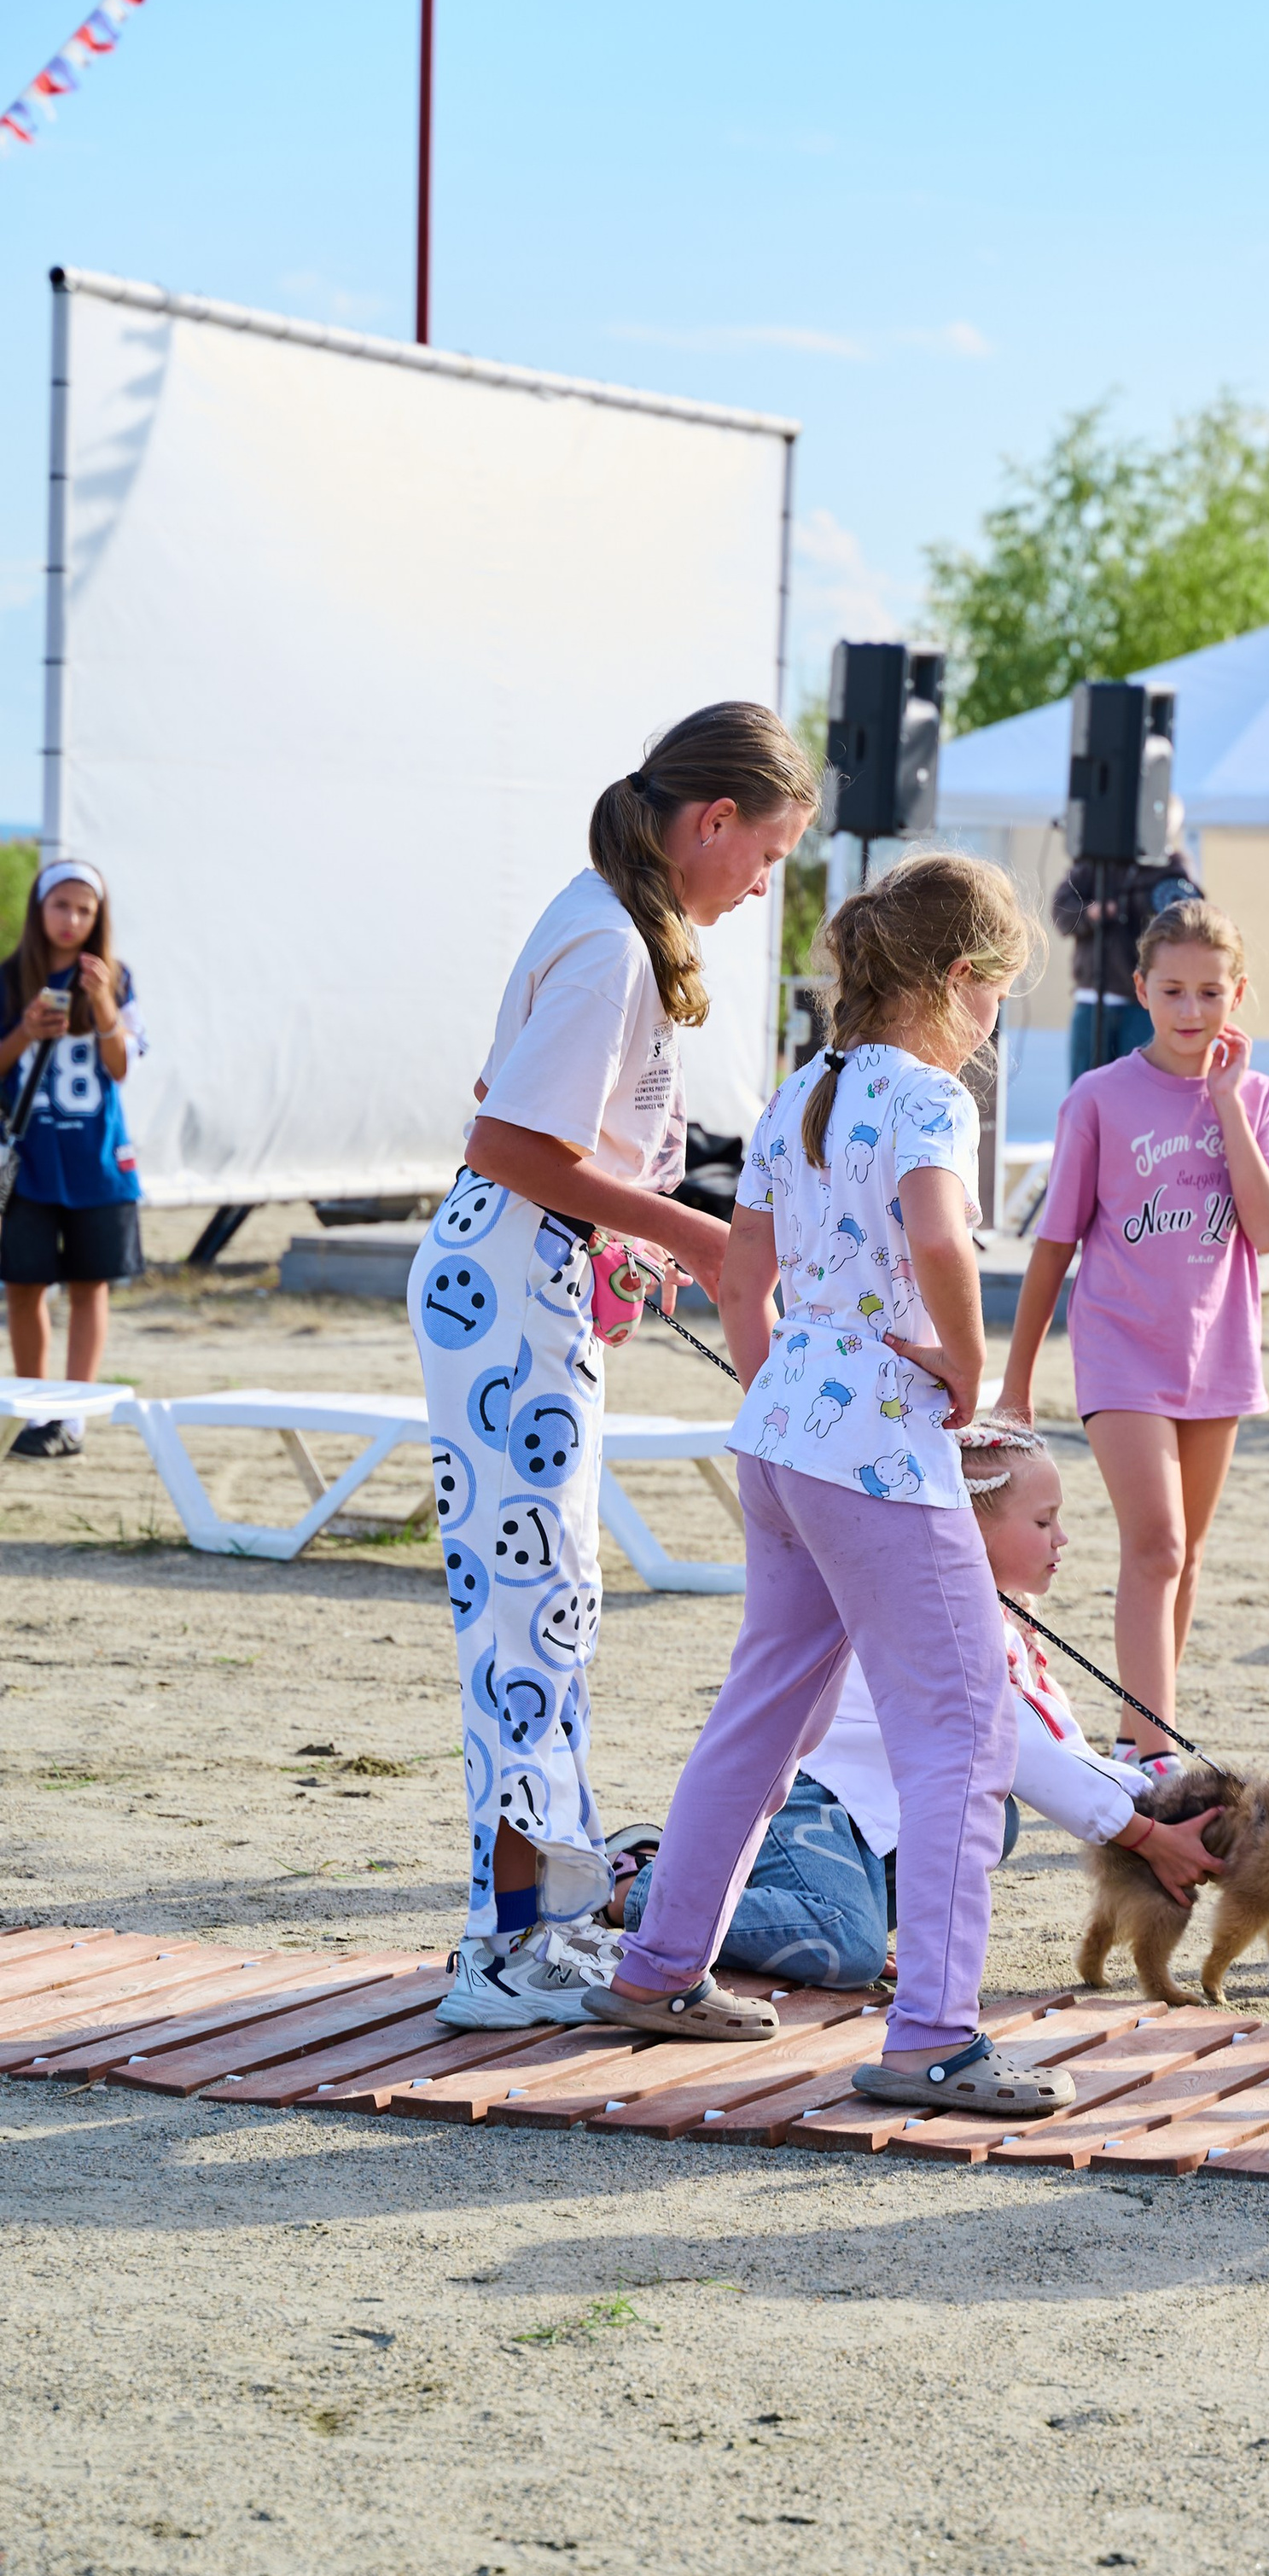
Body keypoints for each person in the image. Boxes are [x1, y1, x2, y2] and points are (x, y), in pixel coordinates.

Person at [585, 850, 1086, 2119]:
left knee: (770, 1709)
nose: (990, 1028)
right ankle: (931, 2038)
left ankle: (660, 1968)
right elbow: (936, 1234)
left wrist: (787, 1383)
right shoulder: (930, 1100)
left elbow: (743, 1276)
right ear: (961, 981)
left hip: (783, 1439)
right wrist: (967, 1372)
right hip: (875, 1451)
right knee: (964, 1733)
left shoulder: (796, 1091)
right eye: (995, 1000)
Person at [414, 702, 816, 2030]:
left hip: (533, 1290)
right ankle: (506, 1945)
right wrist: (694, 1235)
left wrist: (617, 1246)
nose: (764, 885)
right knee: (529, 1631)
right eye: (764, 857)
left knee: (555, 1616)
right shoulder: (606, 942)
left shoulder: (615, 925)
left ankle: (551, 1925)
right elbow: (507, 1142)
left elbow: (557, 1144)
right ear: (710, 824)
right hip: (504, 1297)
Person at [614, 1418, 1224, 1986]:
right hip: (811, 1805)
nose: (1061, 1539)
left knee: (994, 1816)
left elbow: (1063, 1751)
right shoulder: (936, 1613)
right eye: (1043, 1523)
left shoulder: (993, 1618)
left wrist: (1172, 1801)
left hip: (863, 1819)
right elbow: (1020, 1752)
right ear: (970, 1529)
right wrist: (1147, 1833)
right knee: (848, 1948)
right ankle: (644, 1887)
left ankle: (808, 1905)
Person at [999, 897, 1269, 1762]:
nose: (1192, 1011)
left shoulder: (1262, 1100)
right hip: (1119, 1351)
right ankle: (1159, 1750)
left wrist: (1228, 1106)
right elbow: (1053, 1244)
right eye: (1173, 990)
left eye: (1210, 992)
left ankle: (1137, 1741)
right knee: (1156, 1542)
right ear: (1140, 988)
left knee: (1187, 1554)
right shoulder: (1098, 1097)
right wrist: (1017, 1379)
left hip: (1218, 1355)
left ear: (1237, 994)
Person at [1, 860, 146, 1454]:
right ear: (39, 910)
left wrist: (105, 1005)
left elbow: (123, 1067)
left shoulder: (116, 977)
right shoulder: (10, 979)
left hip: (100, 1161)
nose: (72, 920)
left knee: (91, 1284)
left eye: (86, 910)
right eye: (61, 906)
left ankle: (75, 1413)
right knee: (25, 1285)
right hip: (29, 1162)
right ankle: (36, 1408)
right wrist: (26, 1032)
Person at [1051, 801, 1199, 1084]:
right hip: (1093, 997)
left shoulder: (1173, 867)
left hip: (1143, 1003)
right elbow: (1061, 910)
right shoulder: (1098, 861)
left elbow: (1190, 916)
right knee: (1086, 1090)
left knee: (1139, 1089)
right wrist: (1094, 912)